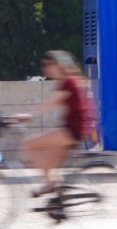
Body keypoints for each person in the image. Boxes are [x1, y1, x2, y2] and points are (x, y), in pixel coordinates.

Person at [21, 51, 95, 196]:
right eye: (44, 65)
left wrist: (30, 115)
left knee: (28, 144)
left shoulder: (68, 82)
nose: (46, 68)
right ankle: (59, 204)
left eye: (49, 64)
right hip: (75, 130)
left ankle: (51, 185)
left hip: (71, 130)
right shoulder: (73, 80)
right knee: (48, 168)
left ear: (60, 65)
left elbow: (53, 102)